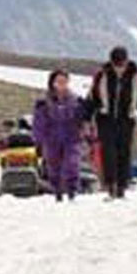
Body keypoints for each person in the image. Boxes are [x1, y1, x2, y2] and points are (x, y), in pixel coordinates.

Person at [86, 46, 137, 199]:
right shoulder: (101, 75)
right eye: (116, 65)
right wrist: (86, 119)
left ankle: (122, 187)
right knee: (108, 153)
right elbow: (92, 98)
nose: (119, 68)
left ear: (127, 62)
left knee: (124, 153)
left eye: (121, 65)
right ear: (111, 62)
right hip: (105, 119)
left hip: (126, 120)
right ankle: (111, 186)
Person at [32, 70, 87, 202]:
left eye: (64, 81)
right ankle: (57, 191)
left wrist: (86, 133)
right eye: (59, 81)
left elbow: (83, 119)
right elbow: (39, 122)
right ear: (53, 83)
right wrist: (38, 140)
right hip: (52, 138)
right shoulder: (43, 102)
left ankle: (72, 190)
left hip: (72, 137)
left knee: (72, 164)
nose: (62, 84)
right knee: (53, 165)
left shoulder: (76, 100)